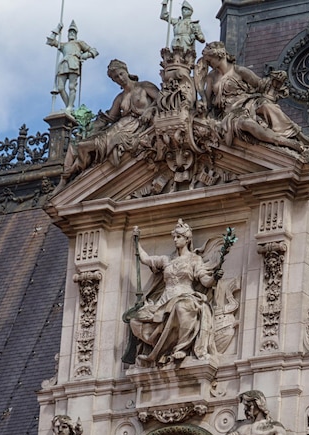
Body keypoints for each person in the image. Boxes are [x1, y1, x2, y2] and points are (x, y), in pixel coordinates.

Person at [129, 219, 223, 366]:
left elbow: (205, 281)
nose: (175, 239)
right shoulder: (167, 259)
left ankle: (182, 347)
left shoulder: (194, 259)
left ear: (187, 239)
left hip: (185, 296)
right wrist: (136, 241)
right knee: (136, 320)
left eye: (178, 237)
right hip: (164, 300)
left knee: (181, 307)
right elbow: (145, 259)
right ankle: (161, 347)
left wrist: (214, 278)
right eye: (174, 236)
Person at [56, 59, 159, 191]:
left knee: (114, 141)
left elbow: (162, 99)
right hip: (117, 128)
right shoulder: (119, 98)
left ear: (126, 71)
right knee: (79, 146)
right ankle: (68, 178)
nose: (120, 78)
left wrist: (150, 110)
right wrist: (87, 127)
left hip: (134, 128)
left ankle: (76, 177)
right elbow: (108, 118)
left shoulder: (144, 86)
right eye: (116, 77)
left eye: (121, 74)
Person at [200, 41, 309, 152]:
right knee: (247, 124)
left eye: (209, 61)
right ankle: (284, 141)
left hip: (248, 103)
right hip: (231, 113)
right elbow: (207, 101)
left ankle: (299, 137)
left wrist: (275, 81)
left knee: (268, 106)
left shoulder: (239, 70)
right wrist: (201, 102)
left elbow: (260, 85)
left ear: (219, 55)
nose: (209, 64)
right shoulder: (211, 77)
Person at [46, 21, 98, 111]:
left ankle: (69, 107)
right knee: (60, 88)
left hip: (73, 63)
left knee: (71, 87)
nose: (72, 33)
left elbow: (94, 51)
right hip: (63, 64)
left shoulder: (79, 42)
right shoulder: (63, 45)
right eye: (70, 32)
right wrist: (57, 29)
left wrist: (84, 55)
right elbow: (50, 41)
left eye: (73, 32)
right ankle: (69, 106)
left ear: (76, 34)